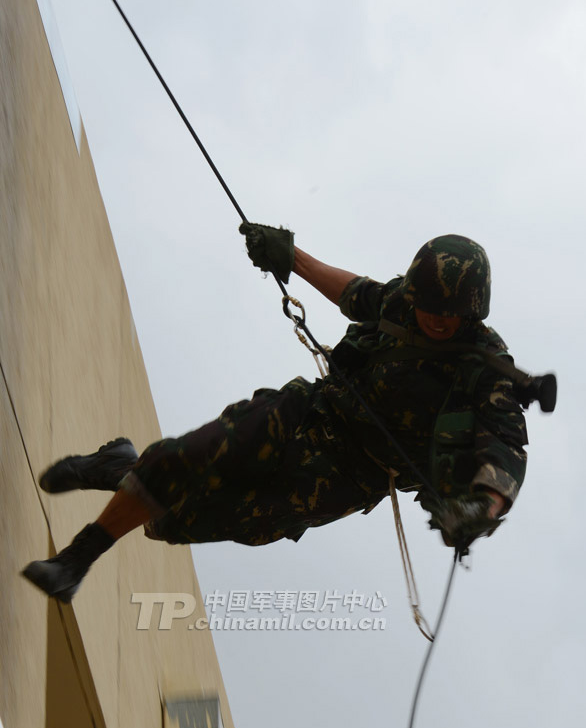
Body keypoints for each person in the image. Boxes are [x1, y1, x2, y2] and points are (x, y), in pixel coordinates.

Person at [22, 227, 528, 603]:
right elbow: (357, 294)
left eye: (449, 313)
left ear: (473, 311)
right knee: (188, 458)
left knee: (183, 517)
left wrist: (477, 512)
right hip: (307, 412)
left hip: (344, 480)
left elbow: (505, 455)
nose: (435, 320)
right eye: (428, 308)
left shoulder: (487, 369)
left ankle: (116, 467)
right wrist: (290, 257)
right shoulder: (405, 300)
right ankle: (74, 562)